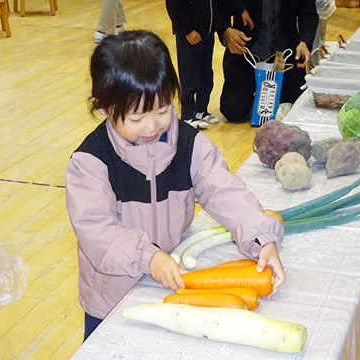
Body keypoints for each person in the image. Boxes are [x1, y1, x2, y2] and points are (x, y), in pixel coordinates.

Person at [65, 30, 285, 341]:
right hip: (112, 296)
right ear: (102, 107)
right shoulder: (90, 162)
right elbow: (97, 232)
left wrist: (261, 238)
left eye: (163, 109)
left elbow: (226, 192)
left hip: (173, 279)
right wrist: (148, 258)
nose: (152, 126)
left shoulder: (191, 145)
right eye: (137, 117)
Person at [216, 0, 319, 123]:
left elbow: (308, 13)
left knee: (299, 105)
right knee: (233, 111)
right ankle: (258, 97)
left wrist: (304, 42)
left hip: (285, 60)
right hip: (246, 57)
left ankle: (265, 98)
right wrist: (225, 30)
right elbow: (218, 5)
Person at [165, 0, 220, 130]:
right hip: (189, 33)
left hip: (208, 32)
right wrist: (187, 30)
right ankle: (187, 115)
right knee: (188, 75)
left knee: (206, 74)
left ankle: (201, 110)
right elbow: (174, 6)